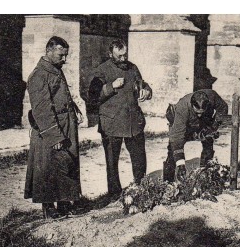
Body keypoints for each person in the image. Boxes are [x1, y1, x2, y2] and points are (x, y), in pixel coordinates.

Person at [24, 36, 83, 219]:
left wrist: (75, 109)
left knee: (66, 164)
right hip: (49, 130)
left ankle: (64, 204)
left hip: (66, 125)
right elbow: (42, 109)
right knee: (47, 168)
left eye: (66, 55)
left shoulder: (55, 70)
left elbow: (62, 95)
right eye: (60, 55)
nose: (64, 59)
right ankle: (49, 209)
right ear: (48, 51)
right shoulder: (39, 75)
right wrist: (54, 137)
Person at [88, 38, 152, 199]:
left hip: (133, 122)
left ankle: (141, 186)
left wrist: (146, 90)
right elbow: (92, 96)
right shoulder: (101, 71)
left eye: (125, 55)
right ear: (110, 54)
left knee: (139, 156)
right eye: (119, 56)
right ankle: (114, 193)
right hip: (112, 122)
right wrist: (111, 87)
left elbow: (142, 84)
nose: (123, 59)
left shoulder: (132, 68)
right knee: (111, 160)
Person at [163, 89, 228, 182]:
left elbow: (223, 108)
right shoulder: (182, 108)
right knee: (173, 150)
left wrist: (213, 126)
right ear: (192, 105)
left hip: (205, 123)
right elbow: (177, 138)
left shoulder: (212, 96)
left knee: (208, 143)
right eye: (197, 113)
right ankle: (167, 182)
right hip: (185, 124)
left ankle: (206, 175)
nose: (200, 115)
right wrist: (181, 164)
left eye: (202, 112)